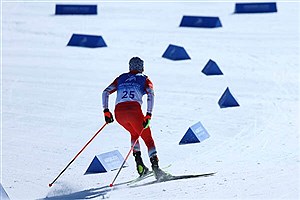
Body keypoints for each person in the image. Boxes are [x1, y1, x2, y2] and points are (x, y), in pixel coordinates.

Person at [102, 57, 165, 179]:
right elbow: (151, 94)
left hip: (119, 114)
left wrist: (106, 111)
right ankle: (157, 170)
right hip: (134, 112)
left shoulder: (121, 78)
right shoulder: (145, 79)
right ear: (142, 67)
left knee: (134, 134)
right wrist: (148, 114)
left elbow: (105, 92)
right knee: (148, 139)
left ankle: (140, 165)